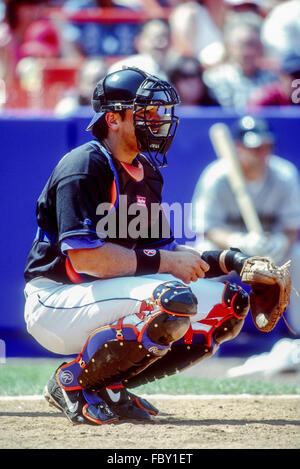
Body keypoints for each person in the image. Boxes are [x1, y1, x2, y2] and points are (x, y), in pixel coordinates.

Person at [24, 67, 268, 426]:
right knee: (169, 298)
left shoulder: (147, 173)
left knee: (229, 303)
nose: (158, 121)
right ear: (114, 119)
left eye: (159, 112)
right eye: (146, 112)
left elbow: (170, 257)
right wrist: (167, 262)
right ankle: (72, 381)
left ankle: (111, 386)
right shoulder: (84, 165)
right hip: (57, 300)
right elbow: (87, 258)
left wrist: (236, 262)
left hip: (104, 295)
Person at [191, 115, 300, 337]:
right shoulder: (217, 176)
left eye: (266, 147)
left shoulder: (284, 174)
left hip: (269, 249)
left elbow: (291, 227)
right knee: (199, 255)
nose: (262, 154)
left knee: (297, 255)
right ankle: (195, 334)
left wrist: (280, 242)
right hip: (229, 249)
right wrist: (239, 242)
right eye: (255, 148)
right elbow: (207, 227)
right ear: (238, 147)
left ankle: (298, 334)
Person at [203, 14, 278, 109]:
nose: (247, 52)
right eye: (241, 44)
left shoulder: (272, 80)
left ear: (260, 47)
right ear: (230, 47)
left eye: (252, 44)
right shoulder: (213, 80)